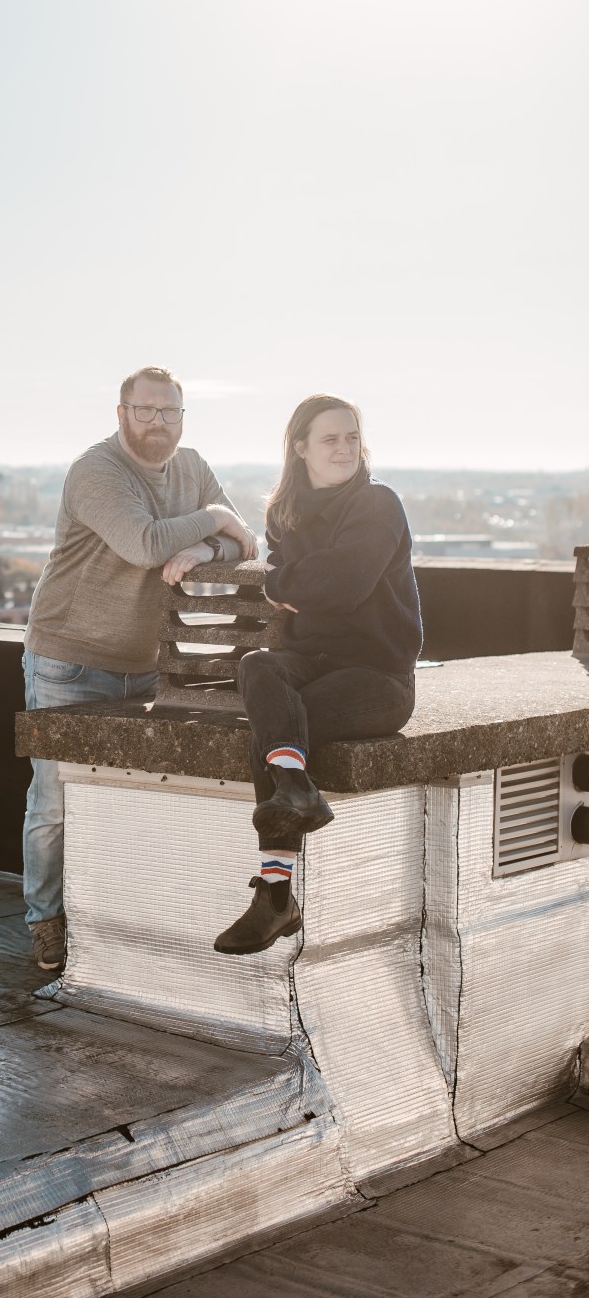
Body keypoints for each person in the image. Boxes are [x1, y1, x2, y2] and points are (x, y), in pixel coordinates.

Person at [23, 366, 257, 974]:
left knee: (135, 802)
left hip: (150, 663)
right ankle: (45, 922)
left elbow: (246, 543)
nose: (158, 423)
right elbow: (145, 543)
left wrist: (206, 548)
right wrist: (211, 518)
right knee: (56, 802)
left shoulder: (192, 465)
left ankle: (118, 921)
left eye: (169, 412)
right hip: (69, 659)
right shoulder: (96, 470)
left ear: (183, 417)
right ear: (121, 412)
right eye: (145, 411)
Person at [214, 393, 421, 956]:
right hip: (311, 664)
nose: (344, 447)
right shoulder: (288, 515)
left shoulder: (378, 504)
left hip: (378, 678)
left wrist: (290, 584)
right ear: (300, 447)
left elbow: (343, 584)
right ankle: (295, 789)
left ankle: (275, 898)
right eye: (330, 438)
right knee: (258, 669)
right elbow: (299, 580)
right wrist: (297, 581)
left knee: (276, 730)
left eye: (352, 436)